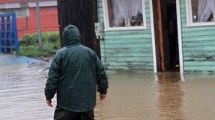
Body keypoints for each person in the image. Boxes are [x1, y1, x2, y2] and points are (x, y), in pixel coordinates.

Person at [44, 25, 108, 120]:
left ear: (65, 38)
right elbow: (101, 74)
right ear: (78, 36)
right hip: (87, 105)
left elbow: (52, 78)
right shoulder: (91, 53)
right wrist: (103, 90)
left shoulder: (60, 54)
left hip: (66, 106)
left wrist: (49, 96)